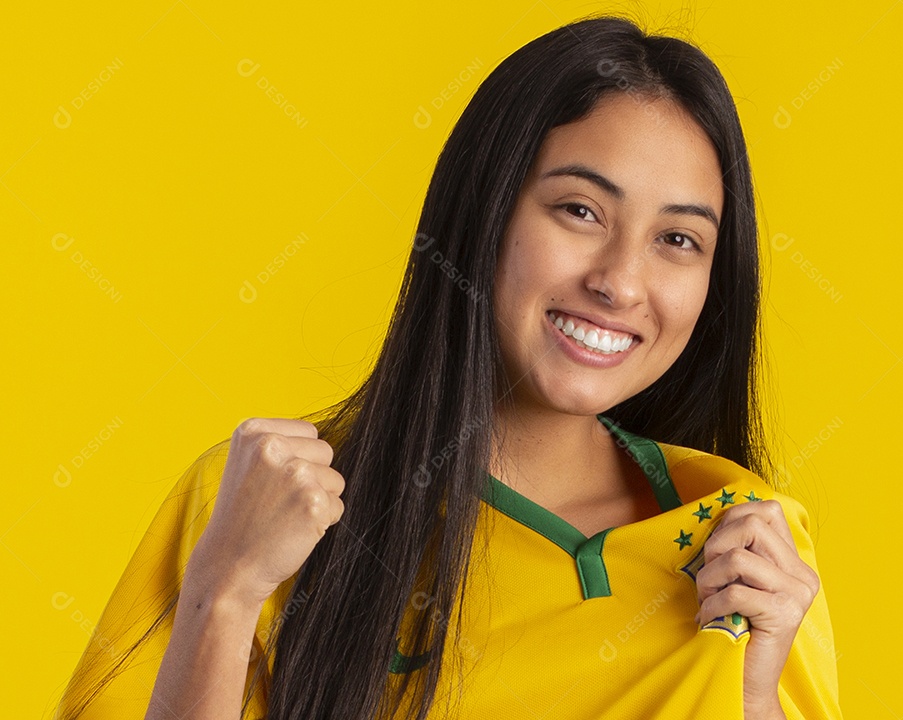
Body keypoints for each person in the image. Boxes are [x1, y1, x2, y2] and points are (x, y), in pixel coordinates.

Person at [53, 13, 843, 720]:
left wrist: (751, 694)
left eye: (678, 240)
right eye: (580, 211)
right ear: (485, 209)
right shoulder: (261, 504)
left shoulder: (747, 543)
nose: (620, 282)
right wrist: (223, 596)